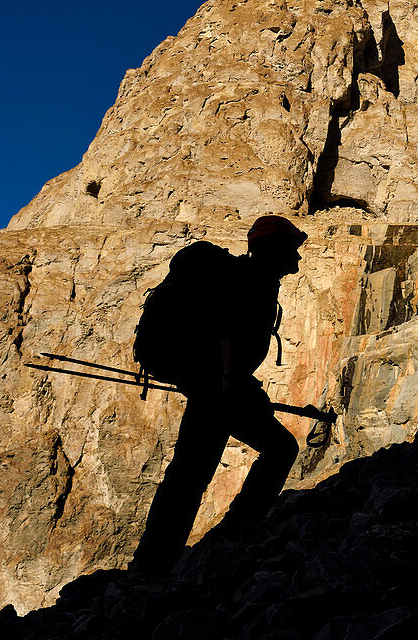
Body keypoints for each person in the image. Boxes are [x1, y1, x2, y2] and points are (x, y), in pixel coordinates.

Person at [129, 215, 307, 574]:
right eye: (293, 249)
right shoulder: (255, 281)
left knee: (188, 475)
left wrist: (238, 381)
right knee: (278, 449)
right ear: (274, 248)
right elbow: (228, 330)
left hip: (212, 386)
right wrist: (232, 381)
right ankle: (238, 529)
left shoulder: (247, 278)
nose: (298, 258)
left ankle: (152, 563)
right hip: (218, 391)